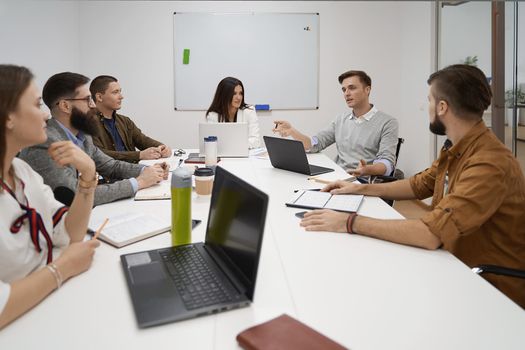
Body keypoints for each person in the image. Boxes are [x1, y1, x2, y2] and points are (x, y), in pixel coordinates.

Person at [300, 64, 525, 308]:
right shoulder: (456, 146)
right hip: (450, 259)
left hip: (488, 286)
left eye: (429, 100)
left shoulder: (489, 162)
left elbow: (431, 234)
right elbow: (419, 185)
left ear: (442, 107)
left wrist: (347, 222)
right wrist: (360, 188)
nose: (425, 107)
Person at [0, 65, 100, 328]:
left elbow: (70, 233)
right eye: (36, 105)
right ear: (9, 117)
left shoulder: (21, 172)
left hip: (43, 307)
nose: (46, 115)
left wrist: (88, 174)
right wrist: (63, 268)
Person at [19, 72, 168, 207]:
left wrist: (148, 170)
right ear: (65, 106)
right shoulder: (45, 144)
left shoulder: (83, 136)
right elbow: (76, 195)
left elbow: (111, 165)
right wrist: (139, 182)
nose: (93, 106)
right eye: (87, 100)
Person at [273, 70, 398, 176]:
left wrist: (367, 169)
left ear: (367, 90)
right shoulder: (341, 120)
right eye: (344, 89)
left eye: (352, 88)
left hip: (364, 181)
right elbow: (316, 144)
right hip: (338, 176)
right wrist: (292, 131)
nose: (346, 93)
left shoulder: (388, 122)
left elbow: (387, 163)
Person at [89, 75, 172, 163]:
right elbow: (99, 154)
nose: (121, 97)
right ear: (99, 97)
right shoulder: (88, 124)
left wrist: (162, 147)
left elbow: (143, 140)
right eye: (115, 92)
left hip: (131, 170)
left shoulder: (125, 121)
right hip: (110, 175)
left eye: (120, 91)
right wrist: (139, 155)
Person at [206, 77, 261, 149]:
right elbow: (212, 143)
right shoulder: (213, 115)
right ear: (224, 95)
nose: (239, 98)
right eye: (234, 93)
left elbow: (256, 141)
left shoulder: (249, 111)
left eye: (240, 93)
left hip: (244, 156)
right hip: (223, 157)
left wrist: (234, 146)